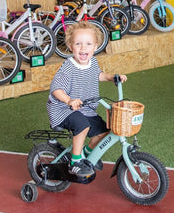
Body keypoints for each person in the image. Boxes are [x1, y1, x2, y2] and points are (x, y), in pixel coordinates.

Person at [47, 21, 127, 177]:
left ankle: (87, 154)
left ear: (96, 46)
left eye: (88, 44)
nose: (83, 48)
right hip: (63, 110)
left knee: (104, 131)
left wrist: (111, 77)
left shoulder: (92, 62)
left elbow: (98, 75)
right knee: (82, 125)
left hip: (85, 109)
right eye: (78, 44)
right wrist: (69, 100)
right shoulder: (68, 68)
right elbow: (56, 89)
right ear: (70, 46)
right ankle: (75, 161)